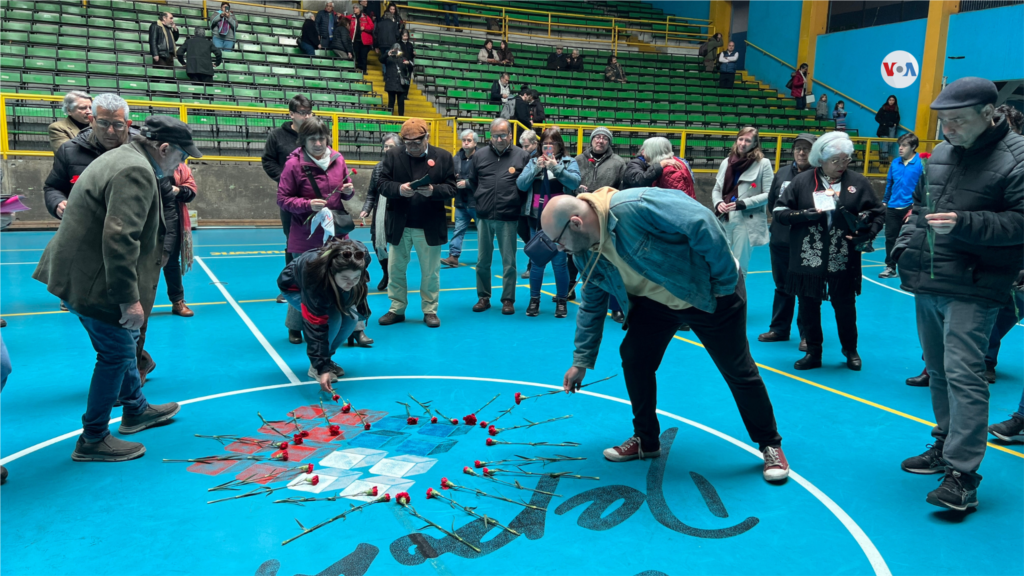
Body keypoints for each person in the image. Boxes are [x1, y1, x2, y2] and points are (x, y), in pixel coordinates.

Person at [541, 191, 790, 482]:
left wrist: (723, 284)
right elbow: (592, 303)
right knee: (635, 358)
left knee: (738, 369)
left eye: (558, 240)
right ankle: (646, 440)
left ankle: (770, 443)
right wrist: (581, 360)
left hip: (708, 292)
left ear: (576, 223)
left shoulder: (636, 206)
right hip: (657, 302)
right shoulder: (584, 252)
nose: (559, 249)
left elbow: (702, 222)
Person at [32, 116, 197, 462]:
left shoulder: (126, 155)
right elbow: (120, 240)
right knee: (117, 353)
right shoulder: (135, 170)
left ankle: (135, 409)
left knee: (123, 344)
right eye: (181, 156)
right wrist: (129, 300)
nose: (182, 164)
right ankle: (93, 438)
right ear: (164, 148)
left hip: (83, 269)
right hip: (94, 278)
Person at [893, 77, 1024, 511]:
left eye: (958, 121)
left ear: (989, 114)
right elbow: (919, 208)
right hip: (929, 279)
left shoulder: (1018, 158)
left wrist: (965, 223)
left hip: (975, 284)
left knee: (965, 375)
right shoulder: (941, 154)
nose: (948, 130)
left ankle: (963, 474)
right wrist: (904, 248)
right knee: (938, 371)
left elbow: (1021, 222)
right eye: (943, 122)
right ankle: (946, 442)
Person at [773, 131, 884, 372]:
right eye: (836, 160)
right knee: (808, 305)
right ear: (821, 159)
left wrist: (868, 233)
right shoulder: (802, 181)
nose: (842, 165)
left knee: (845, 306)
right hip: (807, 257)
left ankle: (850, 349)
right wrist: (803, 215)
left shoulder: (858, 181)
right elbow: (779, 212)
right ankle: (813, 352)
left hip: (843, 257)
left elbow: (878, 212)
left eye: (846, 159)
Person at [276, 117, 357, 346]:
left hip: (336, 235)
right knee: (304, 285)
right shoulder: (293, 165)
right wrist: (307, 205)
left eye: (322, 138)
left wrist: (348, 192)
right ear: (303, 140)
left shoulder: (338, 159)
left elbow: (346, 192)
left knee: (342, 281)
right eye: (313, 139)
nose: (319, 143)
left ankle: (351, 327)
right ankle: (295, 325)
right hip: (306, 236)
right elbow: (282, 199)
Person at [377, 118, 456, 328]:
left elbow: (452, 188)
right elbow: (382, 184)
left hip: (428, 224)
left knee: (430, 272)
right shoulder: (393, 155)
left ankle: (430, 310)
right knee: (395, 270)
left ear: (426, 137)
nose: (411, 147)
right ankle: (397, 308)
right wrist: (398, 189)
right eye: (407, 143)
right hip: (400, 224)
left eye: (416, 143)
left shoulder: (443, 157)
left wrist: (433, 191)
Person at [278, 238, 372, 389]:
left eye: (356, 278)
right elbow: (316, 327)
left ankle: (327, 358)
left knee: (352, 317)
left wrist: (350, 283)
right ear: (332, 272)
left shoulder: (360, 257)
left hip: (331, 283)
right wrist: (321, 368)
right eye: (345, 278)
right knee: (332, 318)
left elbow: (354, 281)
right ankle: (316, 367)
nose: (351, 283)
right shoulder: (314, 276)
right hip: (296, 288)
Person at [465, 118, 530, 315]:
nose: (499, 139)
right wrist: (481, 198)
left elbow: (526, 186)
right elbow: (473, 181)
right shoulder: (480, 155)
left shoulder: (522, 156)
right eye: (495, 136)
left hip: (508, 216)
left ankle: (508, 299)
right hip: (484, 215)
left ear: (510, 135)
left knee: (509, 262)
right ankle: (483, 297)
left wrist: (514, 201)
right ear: (490, 136)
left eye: (502, 135)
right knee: (482, 260)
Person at [758, 133, 816, 346]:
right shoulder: (782, 173)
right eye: (798, 148)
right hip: (781, 240)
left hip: (807, 241)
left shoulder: (819, 176)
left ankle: (807, 335)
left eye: (806, 149)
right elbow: (772, 202)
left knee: (806, 289)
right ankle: (779, 329)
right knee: (782, 285)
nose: (801, 152)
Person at [517, 127, 580, 317]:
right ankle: (534, 300)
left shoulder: (569, 162)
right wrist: (537, 168)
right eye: (545, 144)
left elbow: (574, 183)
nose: (549, 147)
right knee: (537, 261)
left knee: (560, 263)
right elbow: (521, 184)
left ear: (560, 145)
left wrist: (556, 168)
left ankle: (561, 301)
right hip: (537, 219)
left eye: (553, 143)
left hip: (560, 222)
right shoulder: (533, 161)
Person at [44, 94, 133, 221]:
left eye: (118, 124)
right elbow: (53, 187)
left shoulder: (145, 149)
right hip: (84, 226)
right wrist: (57, 202)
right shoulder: (69, 150)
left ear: (128, 124)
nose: (110, 131)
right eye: (103, 123)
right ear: (91, 120)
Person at [262, 95, 312, 302]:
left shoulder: (315, 134)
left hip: (314, 199)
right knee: (292, 241)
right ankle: (291, 285)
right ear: (291, 114)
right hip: (290, 199)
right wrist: (285, 178)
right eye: (302, 113)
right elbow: (268, 161)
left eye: (309, 112)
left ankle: (313, 283)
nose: (306, 116)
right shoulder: (277, 136)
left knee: (317, 240)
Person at [712, 127, 774, 276]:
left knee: (740, 266)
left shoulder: (763, 163)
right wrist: (718, 203)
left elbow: (769, 194)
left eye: (747, 140)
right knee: (720, 262)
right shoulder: (726, 162)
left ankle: (739, 292)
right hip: (725, 218)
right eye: (741, 139)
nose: (743, 143)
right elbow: (717, 189)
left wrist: (744, 204)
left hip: (746, 220)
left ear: (754, 144)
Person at [360, 134, 402, 295]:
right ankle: (386, 272)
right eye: (386, 146)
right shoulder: (378, 167)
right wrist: (366, 208)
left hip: (398, 212)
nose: (388, 149)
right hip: (380, 212)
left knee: (399, 246)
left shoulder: (405, 167)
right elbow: (372, 192)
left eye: (392, 146)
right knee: (378, 244)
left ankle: (397, 276)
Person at [878, 133, 922, 279]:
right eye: (899, 145)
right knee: (890, 238)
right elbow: (890, 183)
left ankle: (911, 268)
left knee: (911, 239)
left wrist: (917, 206)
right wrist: (885, 201)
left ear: (913, 147)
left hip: (911, 207)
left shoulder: (921, 163)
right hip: (893, 206)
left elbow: (925, 187)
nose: (900, 148)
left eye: (904, 145)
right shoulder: (895, 163)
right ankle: (890, 267)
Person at [162, 163, 197, 318]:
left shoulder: (181, 168)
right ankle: (139, 304)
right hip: (147, 218)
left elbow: (191, 192)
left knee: (171, 262)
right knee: (143, 263)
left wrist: (178, 190)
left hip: (174, 219)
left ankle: (177, 301)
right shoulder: (146, 163)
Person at [441, 129, 478, 268]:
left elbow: (484, 178)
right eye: (464, 140)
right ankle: (453, 257)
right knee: (458, 230)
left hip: (477, 203)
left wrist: (467, 183)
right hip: (461, 202)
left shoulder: (481, 158)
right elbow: (448, 176)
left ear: (475, 142)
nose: (466, 143)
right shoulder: (455, 158)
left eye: (469, 140)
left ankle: (484, 257)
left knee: (484, 233)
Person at [382, 43, 413, 116]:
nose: (396, 51)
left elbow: (411, 69)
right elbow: (381, 60)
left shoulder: (404, 59)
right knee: (391, 102)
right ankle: (390, 117)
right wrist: (387, 54)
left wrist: (408, 64)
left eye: (398, 50)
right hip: (391, 83)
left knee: (401, 102)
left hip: (401, 84)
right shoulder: (388, 58)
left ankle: (401, 118)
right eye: (395, 50)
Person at [348, 5, 375, 74]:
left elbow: (372, 26)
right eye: (353, 8)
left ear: (360, 9)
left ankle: (364, 70)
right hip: (354, 40)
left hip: (364, 41)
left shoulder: (366, 17)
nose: (354, 9)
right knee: (355, 55)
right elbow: (344, 19)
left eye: (356, 8)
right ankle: (355, 69)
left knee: (363, 56)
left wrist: (365, 28)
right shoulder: (351, 17)